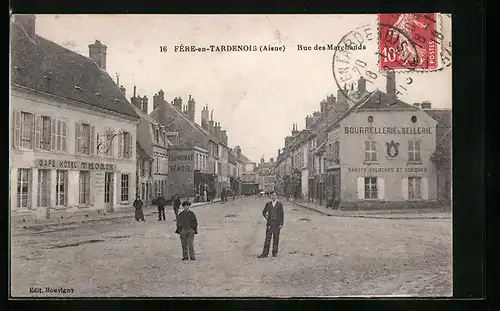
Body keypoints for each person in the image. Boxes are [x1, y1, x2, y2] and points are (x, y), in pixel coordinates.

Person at [258, 191, 284, 258]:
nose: (273, 196)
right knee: (267, 239)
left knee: (276, 238)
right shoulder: (268, 204)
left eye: (275, 195)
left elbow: (282, 215)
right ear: (271, 196)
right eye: (272, 195)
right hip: (270, 224)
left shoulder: (280, 205)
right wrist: (267, 217)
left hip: (277, 224)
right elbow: (264, 212)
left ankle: (274, 253)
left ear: (277, 196)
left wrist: (281, 224)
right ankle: (265, 254)